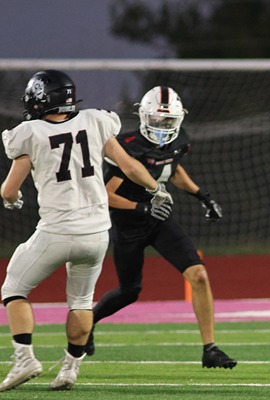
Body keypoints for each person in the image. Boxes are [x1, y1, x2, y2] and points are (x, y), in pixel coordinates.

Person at [0, 70, 172, 391]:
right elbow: (130, 166)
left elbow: (10, 189)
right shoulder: (95, 121)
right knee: (81, 301)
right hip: (96, 233)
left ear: (39, 100)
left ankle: (25, 358)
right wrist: (155, 189)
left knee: (14, 289)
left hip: (57, 230)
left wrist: (13, 200)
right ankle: (70, 368)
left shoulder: (29, 132)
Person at [88, 86, 236, 369]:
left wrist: (202, 196)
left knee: (199, 275)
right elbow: (106, 196)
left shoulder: (178, 140)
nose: (162, 126)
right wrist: (142, 207)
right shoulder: (127, 145)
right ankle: (89, 321)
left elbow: (172, 168)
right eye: (156, 120)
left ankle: (210, 349)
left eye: (168, 121)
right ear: (144, 117)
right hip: (128, 223)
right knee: (129, 291)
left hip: (160, 218)